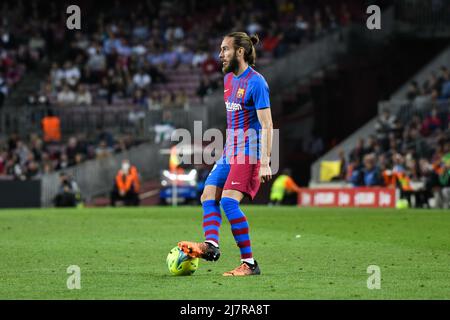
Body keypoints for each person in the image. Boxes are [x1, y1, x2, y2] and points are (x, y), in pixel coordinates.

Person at [178, 32, 273, 276]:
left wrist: (264, 162)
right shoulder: (229, 79)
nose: (220, 55)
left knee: (229, 202)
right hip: (230, 152)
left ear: (240, 52)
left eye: (225, 50)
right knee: (207, 195)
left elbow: (267, 125)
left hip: (249, 153)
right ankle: (211, 246)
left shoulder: (257, 82)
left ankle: (250, 264)